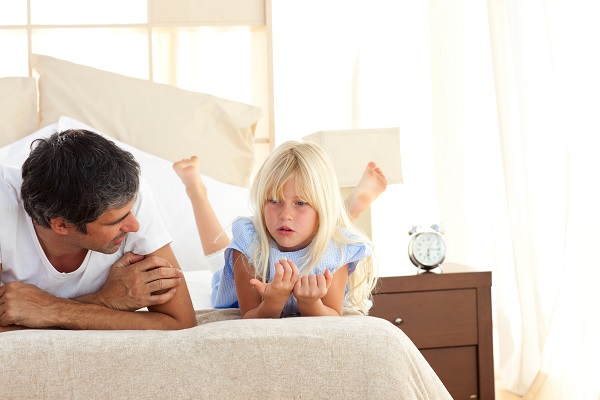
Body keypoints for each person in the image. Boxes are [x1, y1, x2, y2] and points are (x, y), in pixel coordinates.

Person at [0, 129, 196, 333]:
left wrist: (55, 310)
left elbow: (180, 324)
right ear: (61, 225)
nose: (134, 226)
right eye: (116, 222)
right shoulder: (3, 207)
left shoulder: (125, 196)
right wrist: (103, 300)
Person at [173, 141, 387, 318]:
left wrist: (310, 303)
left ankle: (351, 207)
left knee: (327, 232)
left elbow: (332, 313)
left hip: (323, 235)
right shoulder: (248, 241)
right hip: (258, 253)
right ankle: (195, 189)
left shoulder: (337, 251)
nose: (285, 214)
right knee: (218, 255)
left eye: (300, 203)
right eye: (274, 201)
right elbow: (249, 315)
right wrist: (273, 301)